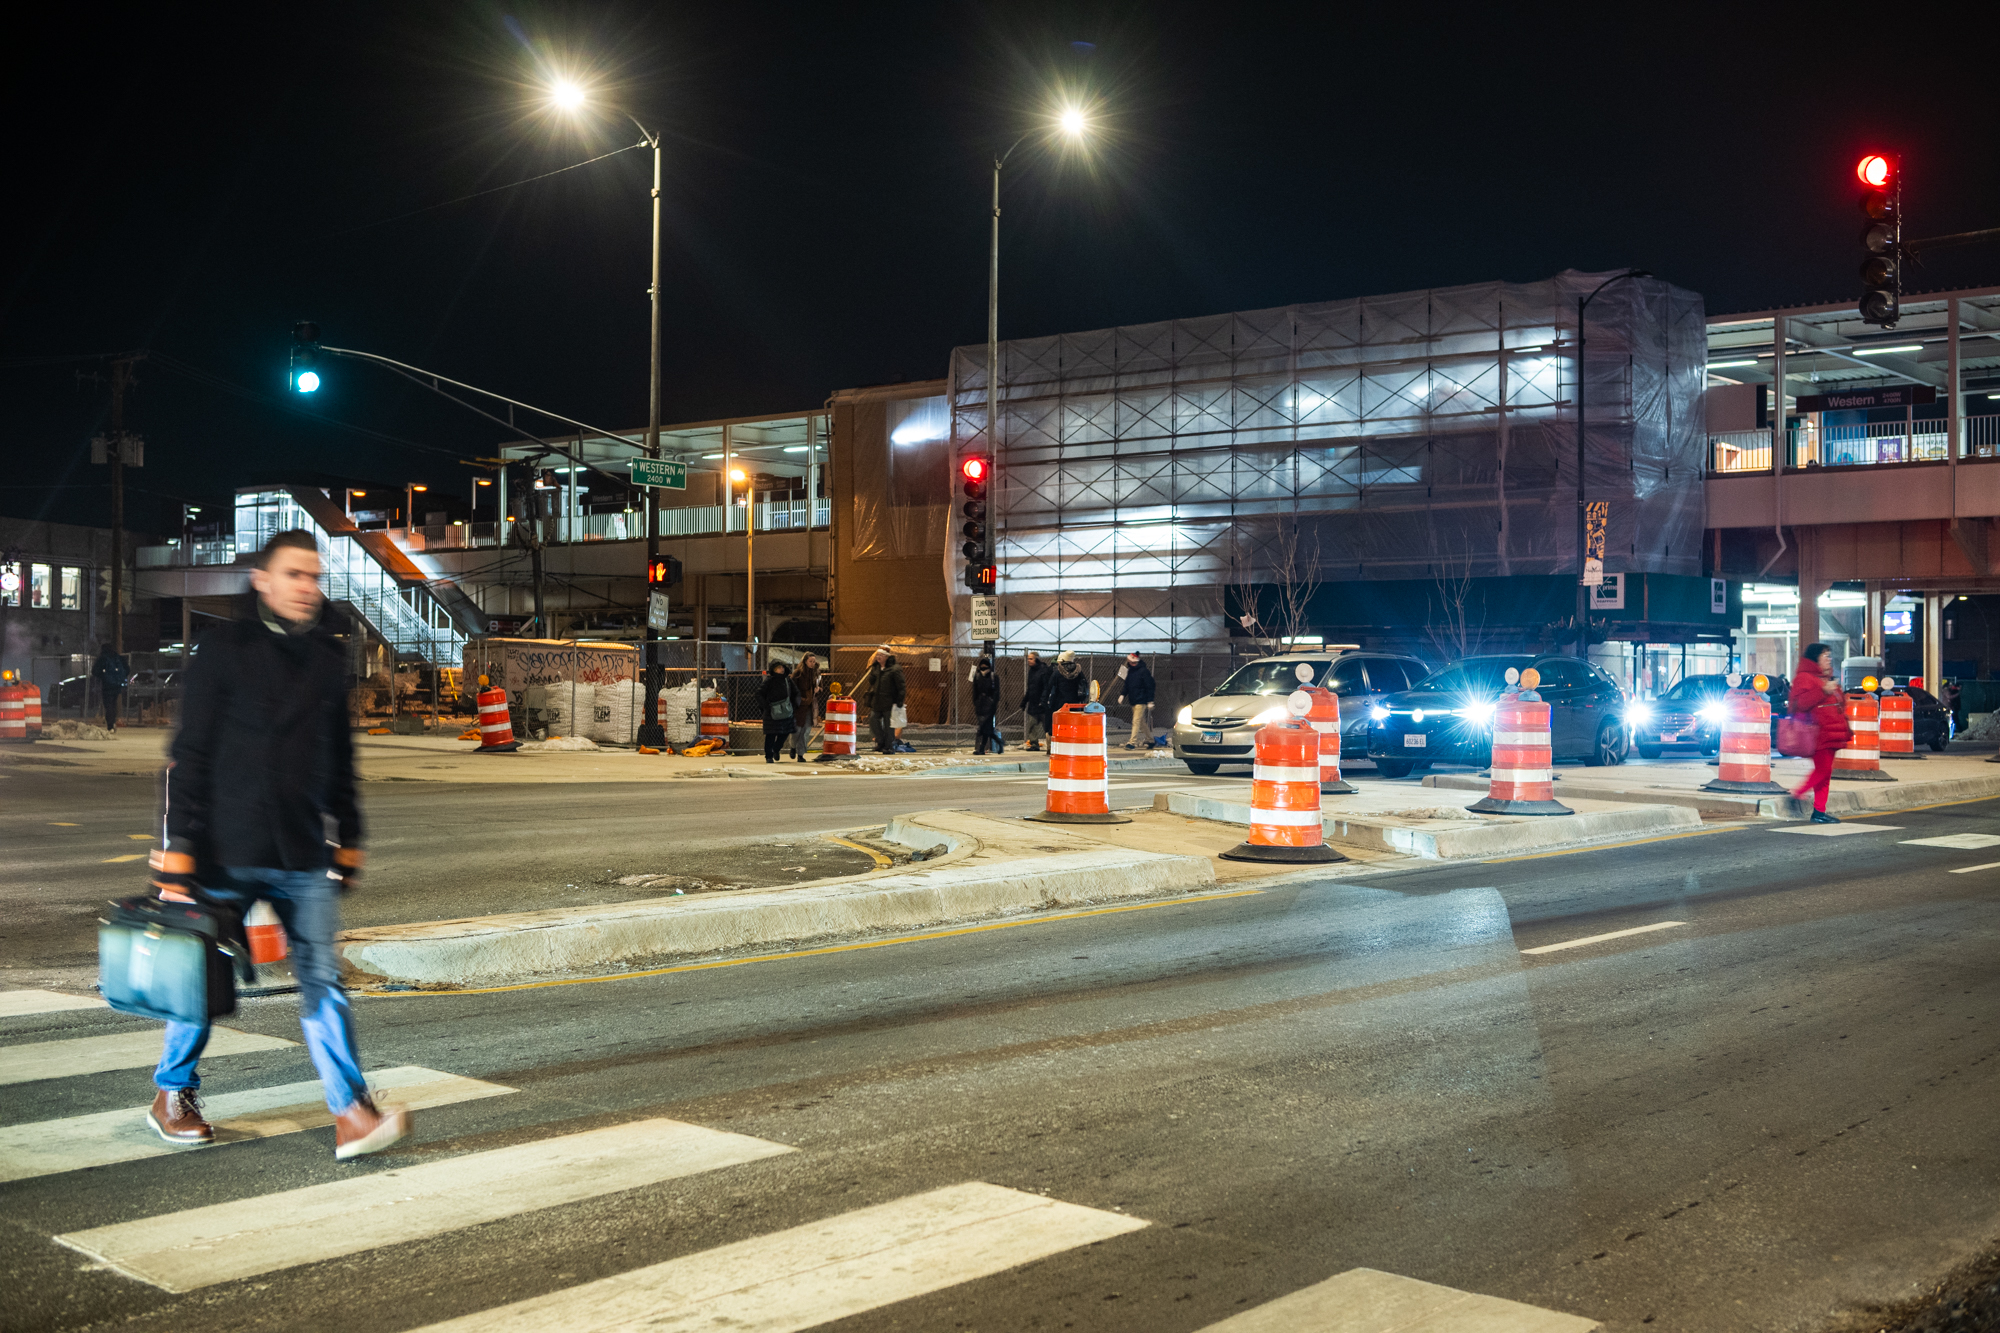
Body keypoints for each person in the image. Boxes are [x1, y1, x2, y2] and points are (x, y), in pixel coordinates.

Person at [146, 530, 410, 1159]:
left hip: (299, 851)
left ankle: (351, 1111)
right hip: (222, 848)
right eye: (295, 574)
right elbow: (190, 752)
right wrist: (181, 842)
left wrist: (349, 835)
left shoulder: (324, 656)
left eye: (316, 577)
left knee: (323, 980)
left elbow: (339, 756)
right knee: (198, 979)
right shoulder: (223, 649)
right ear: (261, 580)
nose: (308, 588)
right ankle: (172, 1092)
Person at [1787, 642, 1851, 825]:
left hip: (1832, 732)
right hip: (1818, 732)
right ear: (1815, 658)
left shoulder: (1826, 678)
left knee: (1825, 773)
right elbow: (1799, 704)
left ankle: (1819, 811)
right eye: (1825, 655)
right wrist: (1823, 690)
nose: (1829, 659)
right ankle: (1797, 794)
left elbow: (1839, 704)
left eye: (1829, 656)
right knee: (1822, 770)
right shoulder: (1805, 678)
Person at [860, 648, 906, 755]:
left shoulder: (894, 669)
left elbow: (901, 685)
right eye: (877, 655)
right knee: (873, 720)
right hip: (877, 700)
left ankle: (889, 746)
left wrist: (899, 701)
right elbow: (871, 681)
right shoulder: (876, 668)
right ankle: (881, 741)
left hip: (890, 701)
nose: (878, 657)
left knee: (888, 725)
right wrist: (872, 670)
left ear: (886, 657)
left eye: (881, 655)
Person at [1115, 651, 1156, 749]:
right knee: (1141, 722)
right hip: (1134, 699)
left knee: (1136, 721)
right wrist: (1122, 694)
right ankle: (1151, 740)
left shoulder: (1143, 671)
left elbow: (1150, 686)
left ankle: (1132, 743)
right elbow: (1127, 685)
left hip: (1141, 700)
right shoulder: (1131, 671)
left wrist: (1150, 700)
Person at [758, 660, 796, 763]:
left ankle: (776, 749)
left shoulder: (787, 680)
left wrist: (795, 705)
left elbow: (795, 693)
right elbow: (759, 693)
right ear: (774, 669)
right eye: (779, 667)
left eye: (783, 667)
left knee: (785, 732)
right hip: (772, 711)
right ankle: (769, 756)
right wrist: (766, 706)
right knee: (771, 734)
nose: (782, 669)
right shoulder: (769, 681)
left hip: (786, 711)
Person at [92, 642, 129, 732]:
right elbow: (127, 669)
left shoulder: (103, 658)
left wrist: (102, 676)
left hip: (106, 685)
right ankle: (113, 722)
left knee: (108, 705)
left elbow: (94, 671)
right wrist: (121, 678)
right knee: (114, 704)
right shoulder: (117, 657)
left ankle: (110, 725)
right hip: (116, 685)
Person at [791, 653, 821, 761]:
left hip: (810, 706)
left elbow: (817, 689)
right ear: (805, 662)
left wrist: (817, 690)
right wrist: (798, 700)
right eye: (810, 661)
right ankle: (793, 746)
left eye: (814, 661)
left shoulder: (815, 673)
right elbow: (792, 689)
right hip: (800, 706)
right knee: (798, 730)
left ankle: (801, 754)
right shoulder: (798, 674)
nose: (812, 663)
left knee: (806, 730)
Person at [1021, 651, 1053, 751]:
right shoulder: (1031, 671)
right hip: (1033, 704)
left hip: (1042, 705)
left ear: (1036, 659)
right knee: (1032, 725)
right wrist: (1024, 702)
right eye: (1028, 659)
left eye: (1031, 659)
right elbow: (1030, 689)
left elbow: (1046, 688)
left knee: (1047, 726)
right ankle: (1034, 745)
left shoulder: (1043, 671)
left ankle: (1051, 746)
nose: (1028, 661)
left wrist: (1043, 701)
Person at [971, 656, 1003, 754]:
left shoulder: (993, 677)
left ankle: (981, 749)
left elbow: (996, 693)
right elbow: (974, 692)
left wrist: (993, 704)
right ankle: (999, 742)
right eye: (982, 667)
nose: (983, 669)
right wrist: (976, 703)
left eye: (985, 667)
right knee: (986, 729)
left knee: (984, 728)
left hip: (989, 706)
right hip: (980, 706)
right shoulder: (977, 677)